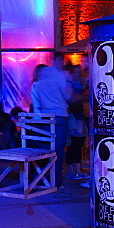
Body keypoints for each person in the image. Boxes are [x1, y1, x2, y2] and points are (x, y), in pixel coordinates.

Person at [31, 55, 73, 183]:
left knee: (45, 148)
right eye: (60, 60)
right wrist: (70, 83)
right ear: (55, 61)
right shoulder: (60, 75)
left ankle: (40, 178)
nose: (61, 63)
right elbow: (68, 96)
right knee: (58, 150)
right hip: (59, 115)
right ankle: (55, 181)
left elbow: (36, 102)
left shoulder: (39, 80)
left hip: (45, 117)